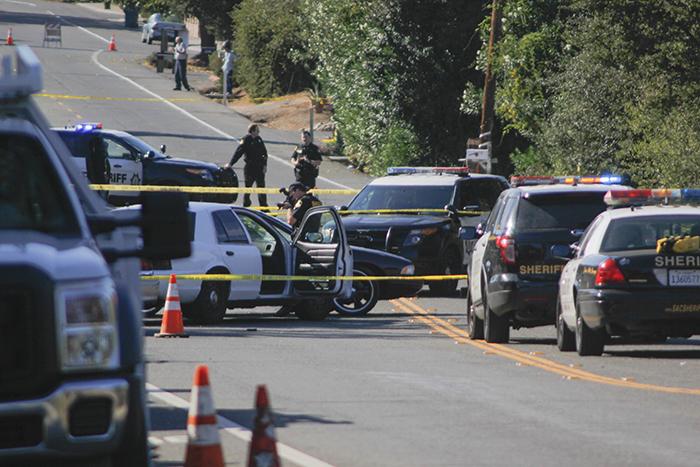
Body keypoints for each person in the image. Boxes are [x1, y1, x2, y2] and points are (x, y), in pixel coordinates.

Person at [227, 124, 268, 207]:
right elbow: (238, 153)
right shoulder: (246, 140)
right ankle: (246, 204)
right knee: (248, 187)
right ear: (252, 131)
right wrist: (231, 163)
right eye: (257, 130)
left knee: (261, 187)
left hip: (259, 167)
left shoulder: (259, 139)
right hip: (250, 167)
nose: (258, 132)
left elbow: (265, 153)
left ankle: (264, 206)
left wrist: (264, 165)